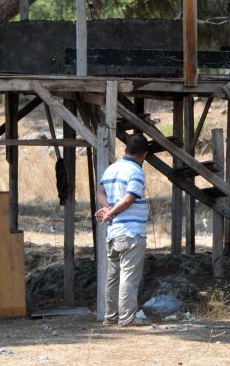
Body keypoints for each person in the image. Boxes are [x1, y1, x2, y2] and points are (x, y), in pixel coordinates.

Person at [96, 133, 151, 327]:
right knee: (129, 275)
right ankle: (127, 318)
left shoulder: (111, 168)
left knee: (112, 277)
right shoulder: (136, 171)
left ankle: (110, 316)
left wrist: (105, 208)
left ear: (125, 150)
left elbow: (101, 191)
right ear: (143, 155)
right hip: (131, 231)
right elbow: (129, 198)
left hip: (113, 233)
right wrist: (111, 212)